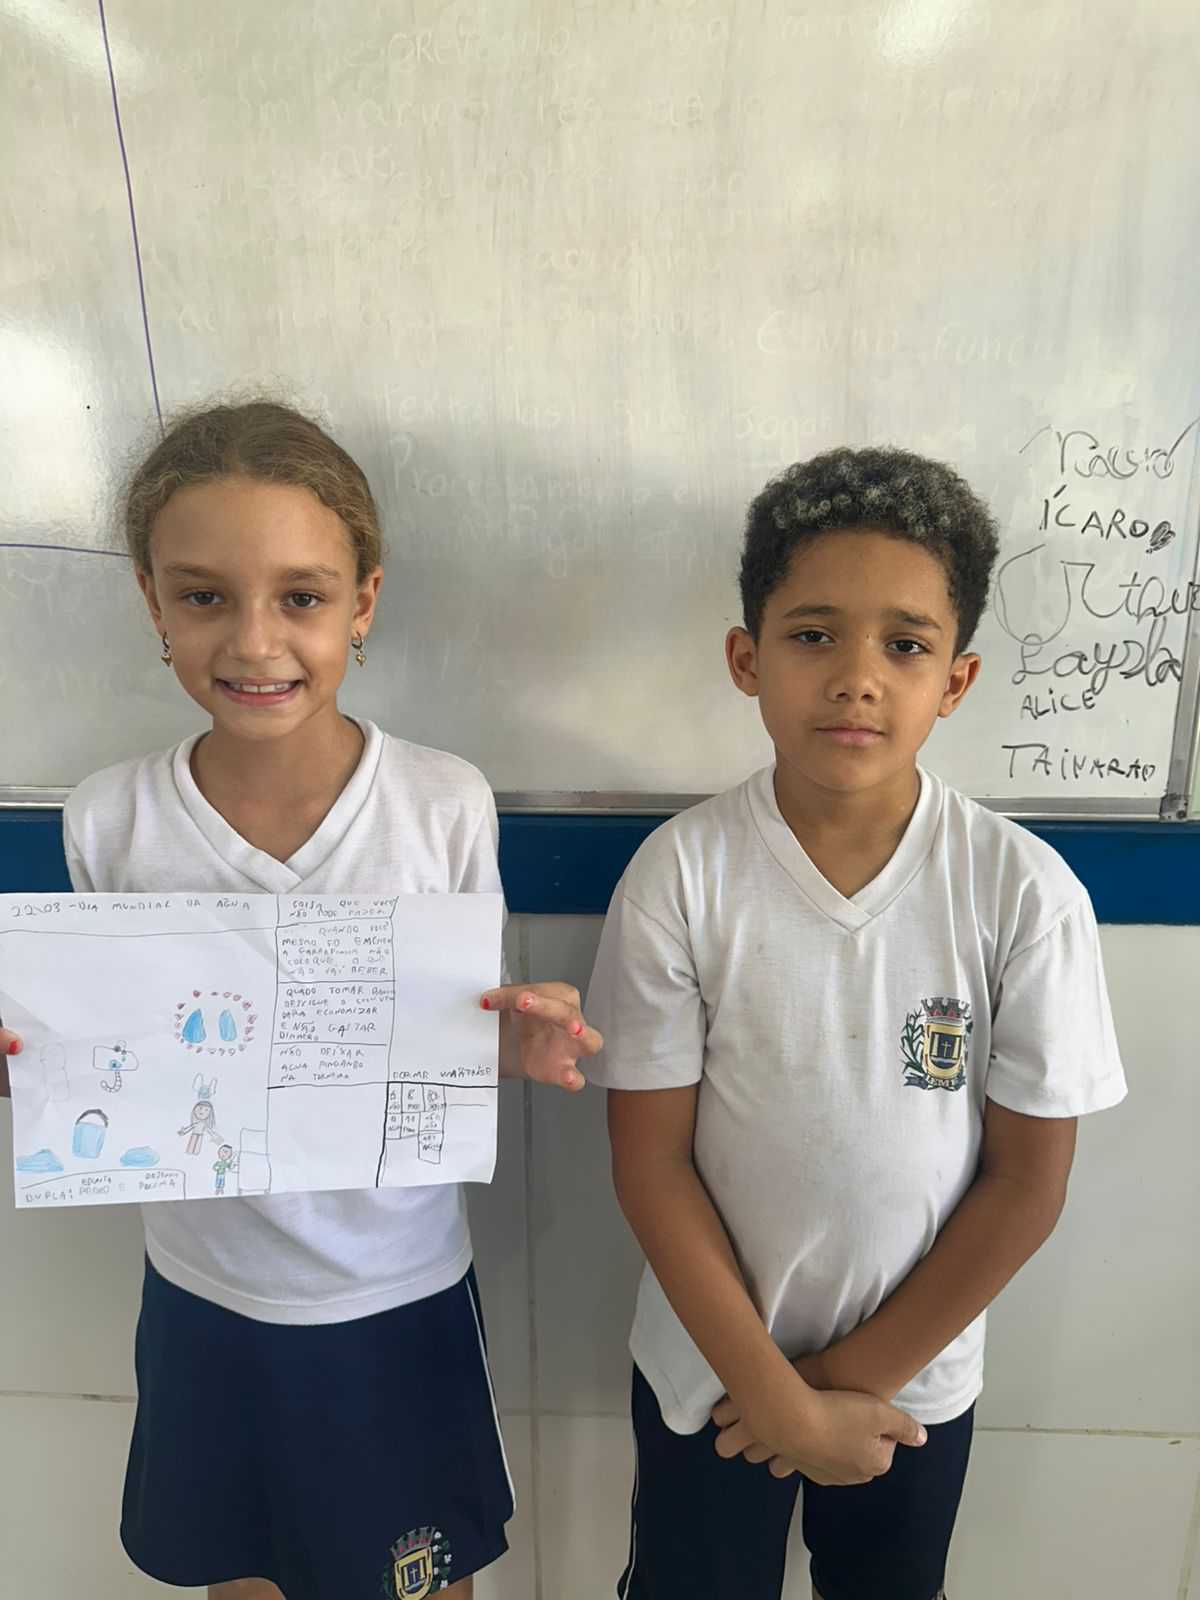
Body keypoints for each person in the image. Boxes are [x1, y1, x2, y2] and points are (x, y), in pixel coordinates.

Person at [0, 398, 600, 1600]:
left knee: (417, 1579)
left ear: (362, 603)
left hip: (397, 1292)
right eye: (205, 596)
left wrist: (521, 1048)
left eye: (302, 597)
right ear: (152, 602)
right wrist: (29, 1064)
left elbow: (450, 1034)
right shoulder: (111, 818)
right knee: (247, 1574)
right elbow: (107, 1058)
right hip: (206, 1294)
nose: (255, 641)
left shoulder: (440, 803)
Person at [585, 447, 1127, 1600]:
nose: (857, 678)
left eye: (906, 645)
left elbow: (1027, 1184)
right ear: (748, 658)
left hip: (909, 1386)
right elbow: (650, 1164)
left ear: (958, 679)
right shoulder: (681, 876)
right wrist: (774, 1399)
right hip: (710, 1378)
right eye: (815, 634)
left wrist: (834, 1390)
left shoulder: (1023, 892)